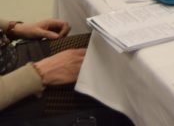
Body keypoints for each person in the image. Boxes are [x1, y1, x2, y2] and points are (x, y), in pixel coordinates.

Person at [0, 17, 131, 124]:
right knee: (121, 87)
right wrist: (36, 74)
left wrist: (12, 28)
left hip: (11, 58)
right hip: (12, 98)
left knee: (115, 52)